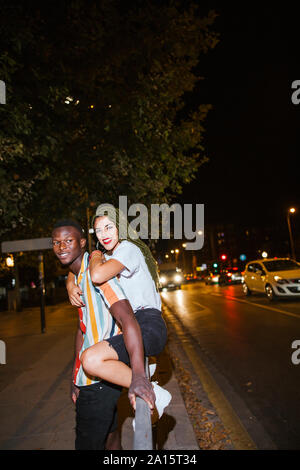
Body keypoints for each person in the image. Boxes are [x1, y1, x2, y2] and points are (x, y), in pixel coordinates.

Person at [52, 219, 155, 450]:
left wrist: (138, 376)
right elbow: (83, 329)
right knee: (111, 438)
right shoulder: (77, 278)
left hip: (96, 381)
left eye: (68, 241)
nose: (61, 247)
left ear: (82, 243)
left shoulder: (97, 273)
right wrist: (73, 376)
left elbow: (127, 318)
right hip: (91, 378)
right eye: (56, 242)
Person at [66, 205, 171, 422]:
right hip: (134, 326)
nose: (104, 234)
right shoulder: (113, 256)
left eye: (108, 227)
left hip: (147, 325)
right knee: (91, 361)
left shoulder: (128, 248)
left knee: (92, 359)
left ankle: (153, 391)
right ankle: (150, 398)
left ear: (120, 227)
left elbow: (95, 274)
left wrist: (95, 253)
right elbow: (79, 268)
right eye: (98, 231)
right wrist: (70, 281)